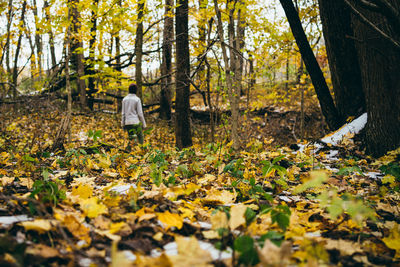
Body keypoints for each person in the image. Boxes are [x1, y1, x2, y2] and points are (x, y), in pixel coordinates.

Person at [121, 83, 147, 150]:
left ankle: (128, 151)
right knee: (140, 137)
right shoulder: (137, 99)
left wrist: (122, 124)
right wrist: (144, 124)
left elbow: (123, 113)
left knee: (131, 138)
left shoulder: (124, 99)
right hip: (135, 122)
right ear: (136, 90)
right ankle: (141, 150)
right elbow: (140, 113)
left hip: (128, 122)